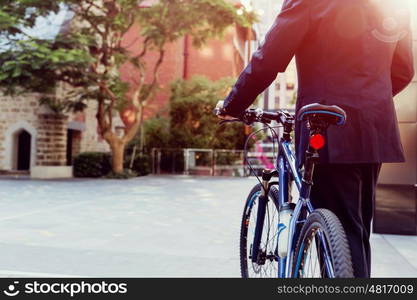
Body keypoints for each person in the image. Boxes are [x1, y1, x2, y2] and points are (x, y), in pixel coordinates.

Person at [217, 0, 414, 277]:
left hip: (325, 125)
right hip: (374, 128)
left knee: (339, 234)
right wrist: (366, 103)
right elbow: (404, 71)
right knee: (355, 230)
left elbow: (269, 58)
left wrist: (233, 105)